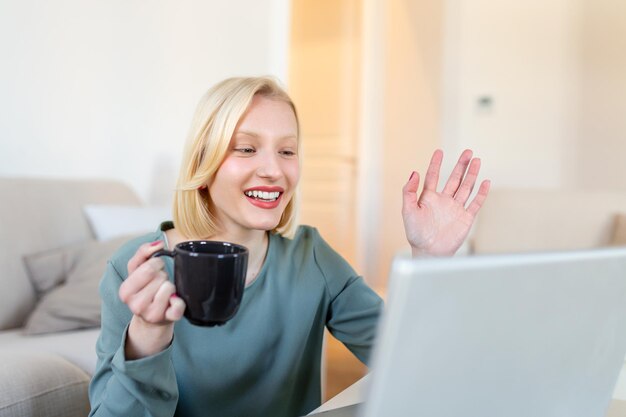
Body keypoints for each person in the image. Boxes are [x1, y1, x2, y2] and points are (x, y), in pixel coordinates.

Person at [88, 76, 490, 417]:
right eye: (246, 148)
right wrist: (146, 339)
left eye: (287, 151)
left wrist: (430, 263)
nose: (274, 169)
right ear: (202, 164)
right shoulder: (135, 269)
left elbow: (412, 362)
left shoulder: (311, 257)